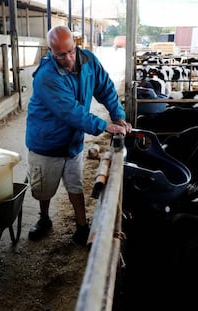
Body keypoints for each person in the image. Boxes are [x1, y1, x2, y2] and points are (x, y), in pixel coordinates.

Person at [25, 25, 132, 246]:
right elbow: (71, 111)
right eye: (61, 54)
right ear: (51, 52)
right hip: (46, 142)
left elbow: (106, 88)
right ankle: (44, 219)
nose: (68, 58)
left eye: (71, 51)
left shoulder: (88, 61)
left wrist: (118, 115)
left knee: (75, 184)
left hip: (72, 142)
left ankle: (82, 226)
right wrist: (105, 125)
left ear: (76, 45)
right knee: (44, 189)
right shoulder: (46, 77)